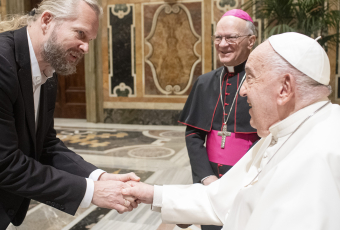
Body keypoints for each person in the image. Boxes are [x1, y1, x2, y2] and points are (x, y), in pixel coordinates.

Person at [0, 0, 139, 230]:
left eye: (89, 40)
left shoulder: (47, 68)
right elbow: (5, 165)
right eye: (80, 34)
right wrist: (92, 191)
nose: (86, 47)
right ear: (47, 20)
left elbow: (45, 144)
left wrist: (99, 177)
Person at [123, 32, 340, 230]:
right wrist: (152, 194)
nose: (243, 90)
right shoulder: (286, 130)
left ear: (284, 88)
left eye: (251, 78)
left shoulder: (316, 157)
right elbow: (223, 199)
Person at [178, 9, 259, 229]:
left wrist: (247, 177)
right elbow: (194, 135)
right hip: (210, 182)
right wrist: (206, 178)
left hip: (249, 181)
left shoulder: (263, 81)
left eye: (231, 37)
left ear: (251, 41)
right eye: (218, 37)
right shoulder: (204, 83)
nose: (222, 44)